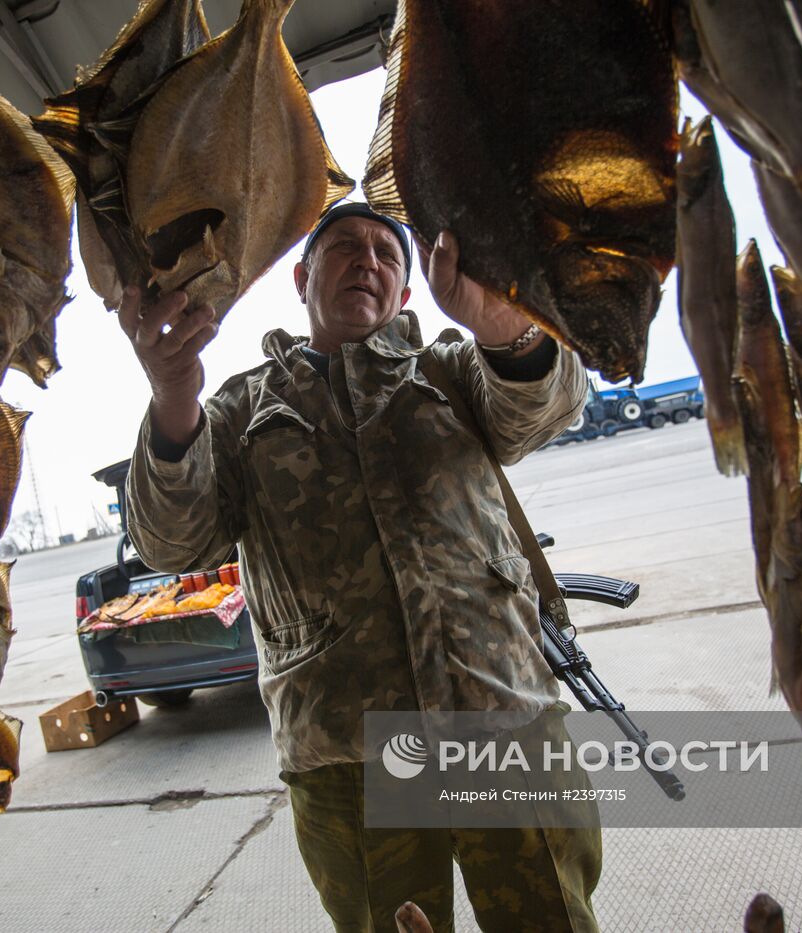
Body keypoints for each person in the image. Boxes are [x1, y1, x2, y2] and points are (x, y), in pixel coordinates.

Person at [120, 202, 600, 931]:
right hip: (349, 752)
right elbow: (171, 541)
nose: (368, 260)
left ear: (408, 293)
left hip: (501, 718)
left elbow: (544, 406)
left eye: (387, 252)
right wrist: (173, 395)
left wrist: (499, 322)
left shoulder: (450, 367)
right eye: (346, 247)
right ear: (303, 276)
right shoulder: (240, 408)